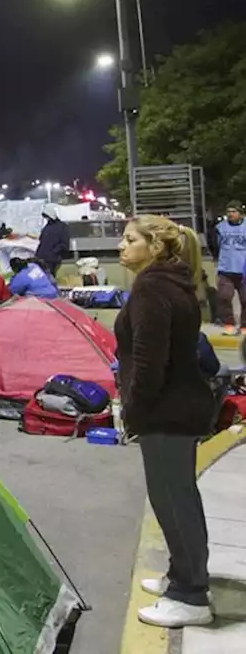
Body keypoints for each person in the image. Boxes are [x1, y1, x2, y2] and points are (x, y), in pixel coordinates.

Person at [115, 215, 217, 629]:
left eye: (129, 240)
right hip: (177, 407)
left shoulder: (152, 287)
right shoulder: (172, 281)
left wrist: (132, 410)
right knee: (177, 498)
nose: (121, 247)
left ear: (154, 247)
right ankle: (183, 577)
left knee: (174, 501)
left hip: (165, 412)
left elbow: (149, 361)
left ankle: (190, 595)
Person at [211, 202, 246, 335]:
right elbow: (214, 244)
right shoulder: (220, 227)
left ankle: (244, 326)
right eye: (229, 211)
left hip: (243, 269)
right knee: (224, 297)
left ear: (240, 213)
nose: (230, 214)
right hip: (226, 268)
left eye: (234, 211)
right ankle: (229, 324)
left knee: (245, 299)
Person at [35, 204, 71, 278]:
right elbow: (42, 239)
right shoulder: (47, 227)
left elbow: (64, 244)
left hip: (51, 258)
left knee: (49, 277)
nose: (46, 219)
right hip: (41, 256)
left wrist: (54, 251)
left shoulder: (62, 227)